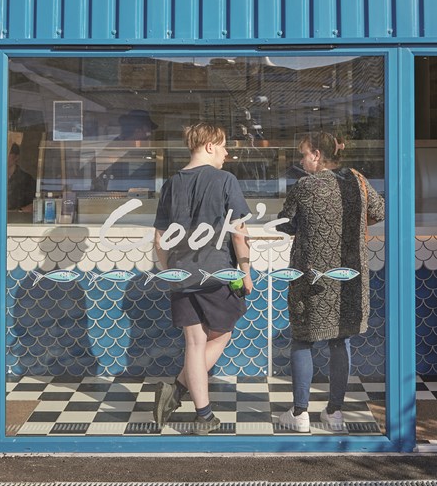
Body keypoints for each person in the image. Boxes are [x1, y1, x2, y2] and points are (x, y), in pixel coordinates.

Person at [277, 131, 384, 432]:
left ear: (317, 155)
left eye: (303, 154)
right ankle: (334, 413)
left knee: (302, 339)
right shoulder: (357, 179)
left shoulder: (305, 186)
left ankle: (300, 414)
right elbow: (379, 211)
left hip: (312, 278)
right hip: (349, 276)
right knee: (341, 340)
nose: (300, 160)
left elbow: (286, 223)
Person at [152, 122, 253, 434]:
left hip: (181, 273)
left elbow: (159, 238)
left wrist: (171, 269)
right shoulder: (225, 180)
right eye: (223, 146)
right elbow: (239, 232)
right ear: (209, 146)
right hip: (216, 273)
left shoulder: (171, 183)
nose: (226, 153)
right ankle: (179, 390)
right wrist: (246, 272)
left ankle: (204, 415)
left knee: (194, 343)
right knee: (221, 334)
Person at [93, 109, 158, 192]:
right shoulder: (113, 149)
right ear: (137, 130)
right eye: (148, 130)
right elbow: (99, 179)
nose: (150, 134)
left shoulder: (142, 150)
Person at [7, 142, 36, 211]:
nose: (4, 156)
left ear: (16, 157)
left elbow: (34, 204)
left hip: (18, 219)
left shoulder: (27, 180)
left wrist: (19, 211)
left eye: (8, 153)